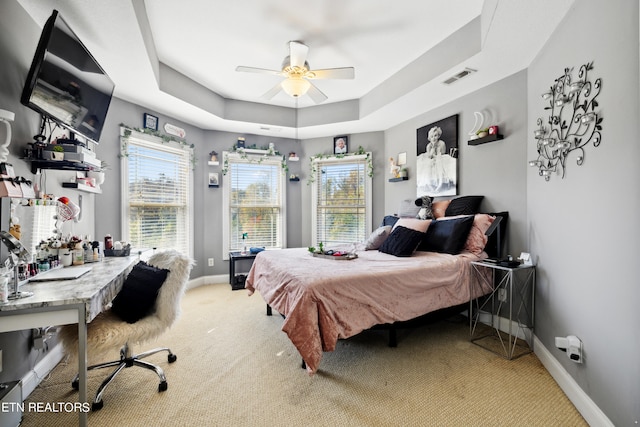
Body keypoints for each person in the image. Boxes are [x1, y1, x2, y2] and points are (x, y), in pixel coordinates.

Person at [416, 126, 456, 195]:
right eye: (432, 136)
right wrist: (433, 149)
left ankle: (440, 185)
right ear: (429, 138)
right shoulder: (429, 145)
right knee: (427, 165)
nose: (434, 138)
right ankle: (430, 186)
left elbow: (443, 153)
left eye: (435, 136)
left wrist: (436, 153)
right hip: (431, 157)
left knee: (440, 164)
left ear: (438, 136)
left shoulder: (441, 143)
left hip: (440, 157)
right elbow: (429, 156)